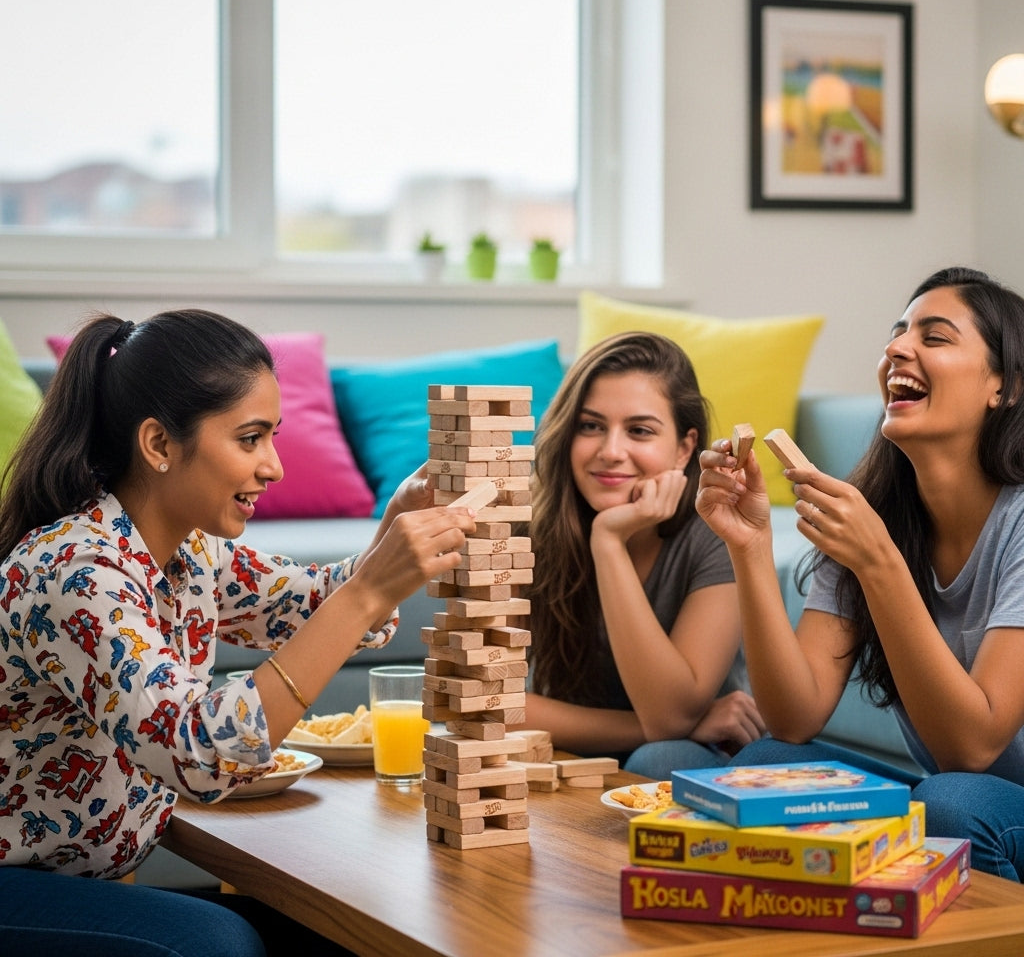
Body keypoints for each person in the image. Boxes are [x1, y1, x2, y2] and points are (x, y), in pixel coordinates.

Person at [0, 310, 479, 956]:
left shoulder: (188, 551)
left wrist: (390, 529)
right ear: (160, 445)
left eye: (272, 437)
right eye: (250, 439)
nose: (274, 466)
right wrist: (371, 587)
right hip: (17, 882)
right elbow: (200, 757)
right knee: (216, 942)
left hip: (82, 874)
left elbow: (312, 606)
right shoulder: (78, 575)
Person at [696, 267, 1024, 882]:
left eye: (935, 336)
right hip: (951, 794)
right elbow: (794, 719)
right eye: (898, 334)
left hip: (989, 803)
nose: (896, 348)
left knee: (953, 804)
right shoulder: (875, 512)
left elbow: (972, 750)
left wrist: (879, 563)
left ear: (1003, 387)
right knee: (767, 763)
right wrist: (750, 545)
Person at [520, 331, 764, 778]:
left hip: (687, 758)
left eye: (639, 431)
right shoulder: (528, 529)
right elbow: (489, 704)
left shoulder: (714, 534)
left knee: (663, 757)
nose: (610, 452)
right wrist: (651, 727)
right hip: (573, 752)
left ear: (685, 448)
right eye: (590, 426)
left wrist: (608, 542)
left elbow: (669, 720)